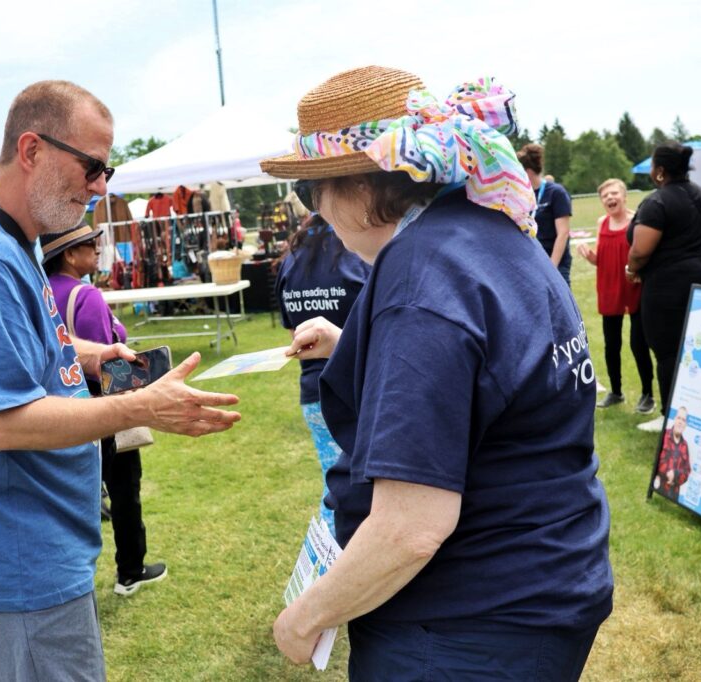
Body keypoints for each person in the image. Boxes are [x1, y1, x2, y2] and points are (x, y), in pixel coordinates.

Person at [261, 66, 612, 680]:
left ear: (362, 185)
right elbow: (492, 370)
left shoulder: (421, 279)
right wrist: (356, 344)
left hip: (467, 623)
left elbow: (411, 528)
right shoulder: (491, 230)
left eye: (312, 189)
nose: (315, 210)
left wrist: (304, 616)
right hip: (543, 583)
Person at [0, 80, 240, 681]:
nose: (101, 187)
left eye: (106, 169)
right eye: (91, 167)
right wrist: (141, 406)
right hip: (16, 563)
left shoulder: (4, 239)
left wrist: (85, 353)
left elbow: (11, 347)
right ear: (31, 150)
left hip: (25, 554)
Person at [43, 223, 167, 596]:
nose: (99, 251)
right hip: (101, 411)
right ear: (69, 254)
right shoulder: (87, 296)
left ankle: (65, 582)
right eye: (91, 245)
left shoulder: (40, 292)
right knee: (124, 491)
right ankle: (130, 570)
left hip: (54, 411)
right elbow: (106, 365)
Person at [275, 207, 370, 533]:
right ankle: (324, 570)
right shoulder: (361, 250)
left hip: (314, 392)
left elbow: (295, 338)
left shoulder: (292, 257)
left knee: (337, 487)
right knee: (354, 499)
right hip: (359, 390)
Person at [627, 143, 701, 432]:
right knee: (698, 346)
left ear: (660, 171)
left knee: (667, 353)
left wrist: (632, 268)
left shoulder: (657, 202)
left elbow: (641, 250)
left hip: (668, 286)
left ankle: (670, 417)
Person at [576, 179, 655, 413]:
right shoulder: (601, 223)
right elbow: (600, 259)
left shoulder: (636, 221)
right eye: (605, 196)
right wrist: (589, 256)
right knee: (612, 344)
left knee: (638, 343)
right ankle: (616, 392)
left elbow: (644, 254)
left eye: (614, 193)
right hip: (609, 287)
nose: (609, 198)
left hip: (633, 286)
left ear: (624, 196)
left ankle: (647, 395)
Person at [518, 143, 574, 285]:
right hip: (532, 261)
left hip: (554, 262)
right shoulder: (521, 194)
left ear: (528, 172)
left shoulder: (556, 193)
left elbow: (563, 233)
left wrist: (551, 267)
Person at [654, 406, 691, 500]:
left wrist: (676, 475)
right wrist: (668, 473)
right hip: (659, 487)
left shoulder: (685, 445)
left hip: (674, 494)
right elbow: (658, 460)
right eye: (678, 418)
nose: (680, 422)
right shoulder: (665, 435)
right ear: (674, 419)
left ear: (685, 424)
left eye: (683, 420)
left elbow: (687, 471)